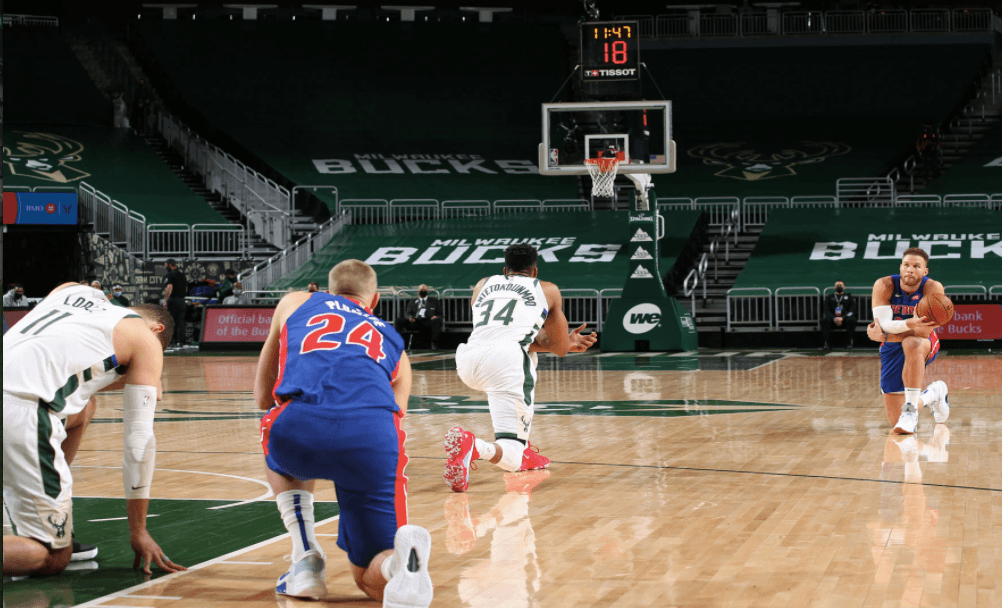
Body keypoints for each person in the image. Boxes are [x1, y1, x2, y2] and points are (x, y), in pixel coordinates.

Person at [254, 260, 433, 606]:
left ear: (326, 290)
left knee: (273, 422)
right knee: (369, 581)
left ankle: (305, 558)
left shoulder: (295, 302)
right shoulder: (394, 342)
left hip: (303, 429)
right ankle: (396, 566)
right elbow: (396, 414)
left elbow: (263, 396)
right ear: (375, 300)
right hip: (373, 440)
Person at [3, 283, 185, 576]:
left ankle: (52, 511)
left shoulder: (71, 290)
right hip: (20, 411)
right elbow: (139, 441)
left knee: (85, 407)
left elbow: (71, 371)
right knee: (53, 557)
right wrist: (138, 530)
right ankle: (49, 537)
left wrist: (138, 377)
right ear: (157, 329)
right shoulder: (145, 337)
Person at [444, 243, 598, 493]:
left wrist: (555, 343)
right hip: (505, 363)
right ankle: (476, 446)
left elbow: (503, 332)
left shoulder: (482, 284)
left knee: (522, 352)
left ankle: (523, 447)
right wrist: (567, 342)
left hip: (468, 358)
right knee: (512, 457)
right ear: (534, 271)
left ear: (505, 270)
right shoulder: (548, 290)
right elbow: (559, 349)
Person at [865, 247, 950, 435]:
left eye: (916, 266)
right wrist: (906, 325)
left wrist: (886, 335)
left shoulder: (933, 288)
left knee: (912, 343)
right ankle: (934, 393)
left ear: (925, 271)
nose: (910, 270)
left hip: (923, 342)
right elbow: (883, 325)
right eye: (906, 265)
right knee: (896, 423)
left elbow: (923, 332)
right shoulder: (884, 285)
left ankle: (910, 410)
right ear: (900, 267)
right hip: (892, 344)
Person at [394, 284, 444, 350]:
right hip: (415, 321)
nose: (423, 291)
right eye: (421, 290)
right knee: (399, 321)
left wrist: (436, 317)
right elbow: (407, 313)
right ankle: (397, 343)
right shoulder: (413, 301)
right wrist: (410, 317)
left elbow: (440, 314)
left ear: (428, 291)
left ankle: (433, 343)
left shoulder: (434, 301)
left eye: (424, 290)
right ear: (418, 291)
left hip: (428, 321)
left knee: (437, 321)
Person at [821, 280, 857, 350]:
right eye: (837, 285)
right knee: (824, 321)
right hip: (832, 319)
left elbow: (852, 311)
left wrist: (843, 318)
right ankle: (828, 344)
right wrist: (834, 318)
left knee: (852, 320)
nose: (839, 287)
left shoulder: (849, 297)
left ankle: (848, 343)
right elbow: (826, 310)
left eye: (840, 285)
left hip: (845, 319)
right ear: (834, 287)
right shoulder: (829, 297)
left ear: (844, 287)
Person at [162, 259, 188, 348]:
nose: (166, 267)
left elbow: (169, 287)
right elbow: (186, 288)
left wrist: (165, 299)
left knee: (171, 321)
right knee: (181, 321)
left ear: (170, 265)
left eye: (166, 265)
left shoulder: (170, 275)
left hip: (173, 300)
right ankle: (182, 342)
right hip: (182, 300)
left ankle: (172, 341)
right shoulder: (183, 275)